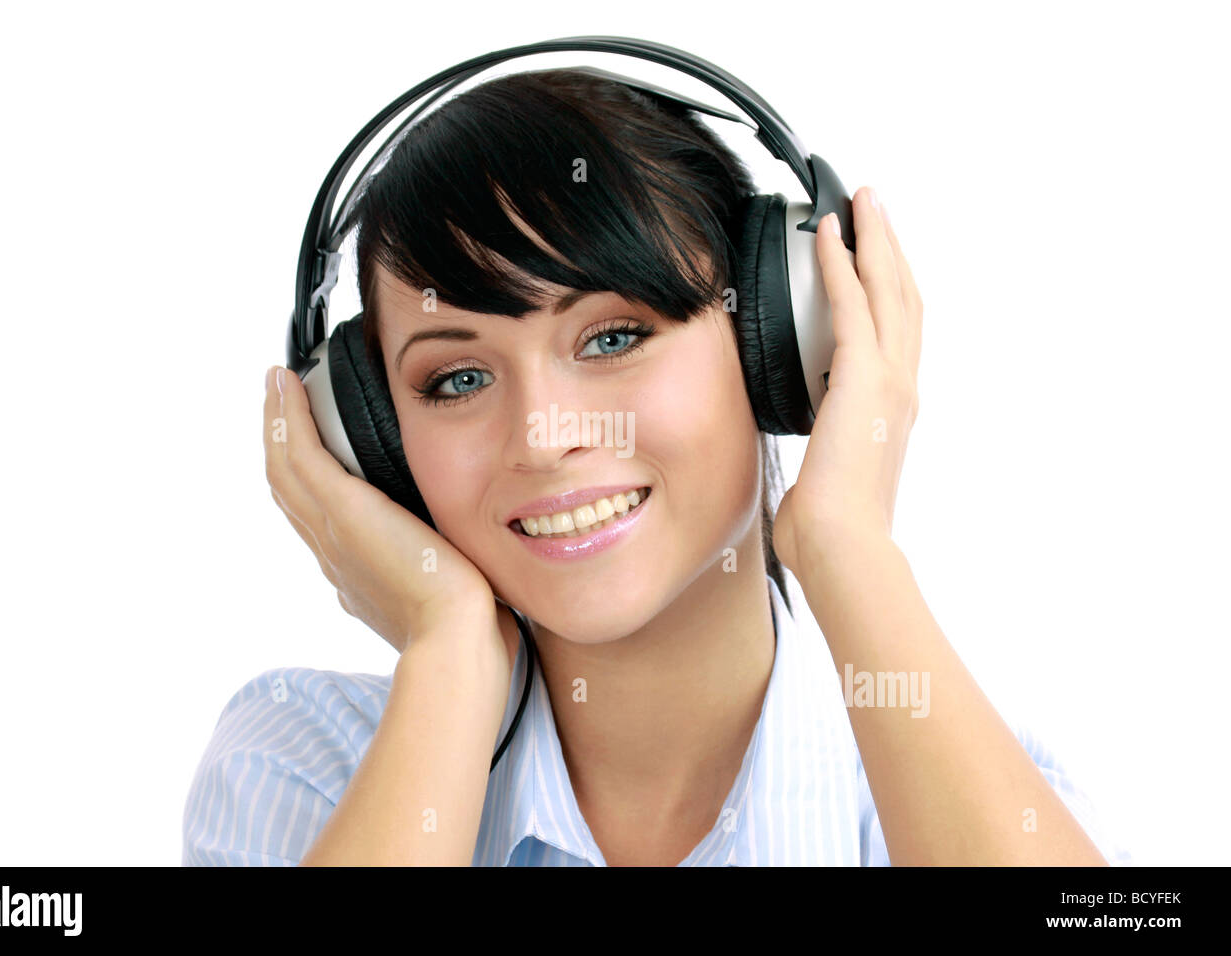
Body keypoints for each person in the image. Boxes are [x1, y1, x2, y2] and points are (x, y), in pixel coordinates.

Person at [183, 69, 1130, 866]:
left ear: (786, 342)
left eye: (614, 336)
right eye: (458, 376)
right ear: (370, 440)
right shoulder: (305, 766)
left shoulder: (979, 800)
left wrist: (848, 548)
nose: (542, 437)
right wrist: (448, 654)